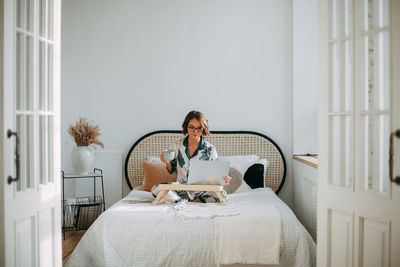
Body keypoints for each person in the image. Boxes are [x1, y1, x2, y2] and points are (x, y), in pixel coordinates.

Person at [151, 110, 231, 203]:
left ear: (203, 128)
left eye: (199, 128)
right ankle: (183, 202)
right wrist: (166, 162)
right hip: (180, 189)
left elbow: (215, 175)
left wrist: (223, 179)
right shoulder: (177, 145)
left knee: (222, 194)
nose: (195, 131)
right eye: (191, 127)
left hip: (202, 191)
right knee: (156, 188)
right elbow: (172, 171)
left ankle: (185, 202)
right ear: (186, 127)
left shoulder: (210, 149)